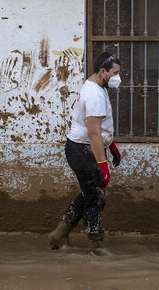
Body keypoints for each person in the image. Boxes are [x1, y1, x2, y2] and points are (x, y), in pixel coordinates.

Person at [48, 52, 122, 256]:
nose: (118, 77)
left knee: (90, 193)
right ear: (103, 71)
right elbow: (93, 132)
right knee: (96, 198)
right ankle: (96, 246)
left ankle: (60, 234)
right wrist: (103, 164)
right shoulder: (96, 94)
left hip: (82, 147)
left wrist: (111, 144)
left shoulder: (97, 85)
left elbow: (100, 126)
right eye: (115, 73)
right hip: (82, 150)